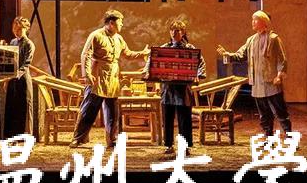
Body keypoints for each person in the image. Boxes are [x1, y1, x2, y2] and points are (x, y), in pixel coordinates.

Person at [70, 10, 149, 148]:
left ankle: (112, 139)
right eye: (120, 21)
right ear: (111, 23)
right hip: (98, 75)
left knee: (112, 111)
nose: (122, 24)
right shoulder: (96, 35)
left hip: (112, 76)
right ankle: (78, 138)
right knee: (89, 109)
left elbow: (127, 54)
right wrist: (87, 74)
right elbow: (86, 55)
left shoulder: (119, 38)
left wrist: (142, 53)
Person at [217, 10, 290, 137]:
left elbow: (281, 59)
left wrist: (279, 76)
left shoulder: (273, 39)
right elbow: (240, 55)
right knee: (264, 113)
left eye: (255, 20)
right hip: (257, 83)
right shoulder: (251, 40)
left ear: (263, 22)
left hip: (271, 82)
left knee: (280, 111)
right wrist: (226, 54)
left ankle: (289, 135)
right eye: (252, 19)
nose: (253, 22)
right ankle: (268, 136)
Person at [149, 19, 206, 153]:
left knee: (184, 118)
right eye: (172, 31)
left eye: (177, 31)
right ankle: (169, 145)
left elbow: (201, 63)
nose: (174, 33)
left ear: (183, 32)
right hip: (168, 88)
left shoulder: (190, 49)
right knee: (167, 118)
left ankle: (185, 146)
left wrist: (198, 75)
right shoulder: (164, 48)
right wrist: (149, 72)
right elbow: (152, 60)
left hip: (183, 88)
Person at [3, 16, 34, 138]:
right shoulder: (13, 42)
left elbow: (26, 65)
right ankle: (12, 137)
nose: (17, 31)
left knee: (24, 109)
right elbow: (10, 63)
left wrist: (12, 76)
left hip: (23, 80)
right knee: (12, 108)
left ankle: (26, 138)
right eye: (15, 28)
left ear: (26, 29)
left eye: (20, 29)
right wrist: (7, 80)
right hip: (12, 81)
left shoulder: (29, 44)